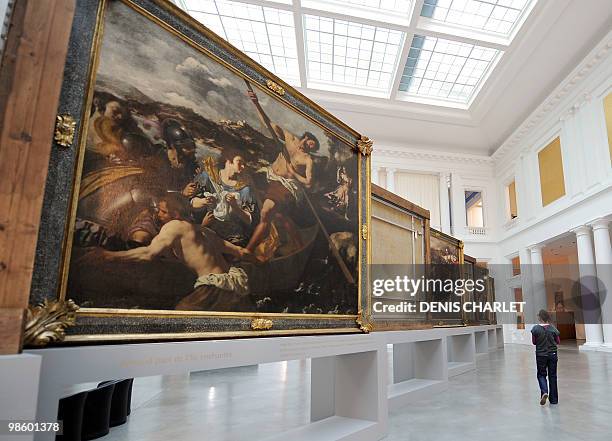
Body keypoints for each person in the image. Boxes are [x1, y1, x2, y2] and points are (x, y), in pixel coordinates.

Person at [102, 201, 255, 312]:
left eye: (163, 211)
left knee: (181, 316)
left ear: (175, 214)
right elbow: (241, 252)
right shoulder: (204, 231)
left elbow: (148, 254)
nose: (158, 214)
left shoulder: (175, 225)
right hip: (236, 286)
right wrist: (260, 260)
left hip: (213, 289)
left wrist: (108, 256)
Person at [245, 89, 319, 253]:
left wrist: (294, 174)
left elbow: (308, 183)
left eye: (311, 147)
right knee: (244, 184)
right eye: (308, 143)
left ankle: (247, 250)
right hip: (269, 175)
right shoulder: (290, 139)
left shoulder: (308, 160)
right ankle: (293, 242)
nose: (307, 147)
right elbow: (268, 123)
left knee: (267, 212)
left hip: (286, 185)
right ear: (305, 137)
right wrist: (256, 103)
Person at [190, 149, 257, 247]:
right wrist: (204, 201)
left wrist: (235, 207)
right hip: (207, 229)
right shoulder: (209, 176)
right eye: (240, 162)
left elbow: (249, 220)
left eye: (244, 164)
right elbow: (191, 202)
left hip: (233, 237)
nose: (243, 166)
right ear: (228, 160)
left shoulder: (244, 188)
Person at [531, 309, 560, 405]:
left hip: (541, 355)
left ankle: (544, 392)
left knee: (541, 374)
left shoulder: (535, 329)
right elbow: (558, 341)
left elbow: (534, 342)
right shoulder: (553, 328)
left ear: (539, 317)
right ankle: (554, 400)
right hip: (552, 354)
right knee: (553, 376)